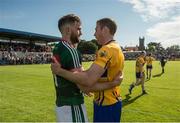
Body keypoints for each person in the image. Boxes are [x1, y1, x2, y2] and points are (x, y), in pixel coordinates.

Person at [51, 18, 124, 122]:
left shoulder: (108, 49)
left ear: (105, 30)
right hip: (106, 101)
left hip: (107, 103)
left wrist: (59, 71)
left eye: (96, 29)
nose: (94, 34)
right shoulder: (116, 47)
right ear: (68, 30)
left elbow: (87, 81)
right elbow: (86, 83)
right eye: (78, 29)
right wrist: (113, 83)